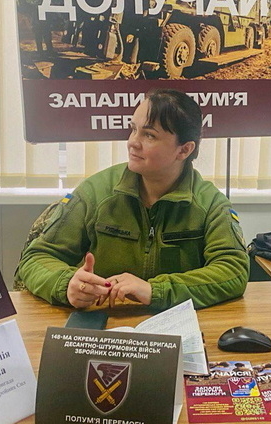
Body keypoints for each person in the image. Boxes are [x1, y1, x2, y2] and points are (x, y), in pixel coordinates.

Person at [16, 89, 249, 310]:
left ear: (184, 150)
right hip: (103, 319)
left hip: (176, 323)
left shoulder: (210, 203)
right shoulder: (95, 192)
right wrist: (67, 284)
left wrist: (155, 291)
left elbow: (233, 270)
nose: (132, 142)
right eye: (133, 129)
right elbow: (36, 258)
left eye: (149, 135)